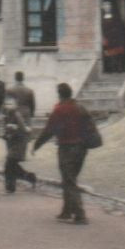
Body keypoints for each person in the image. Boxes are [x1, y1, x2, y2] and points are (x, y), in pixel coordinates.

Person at [32, 83, 96, 224]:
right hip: (81, 149)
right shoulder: (80, 107)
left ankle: (80, 214)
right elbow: (90, 126)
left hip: (67, 148)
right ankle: (66, 211)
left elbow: (49, 130)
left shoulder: (59, 110)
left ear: (59, 94)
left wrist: (37, 145)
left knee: (69, 181)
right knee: (70, 179)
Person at [1, 98, 36, 194]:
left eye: (11, 104)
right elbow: (5, 131)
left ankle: (10, 188)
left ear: (15, 105)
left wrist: (14, 130)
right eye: (7, 103)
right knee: (13, 166)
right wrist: (5, 134)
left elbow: (24, 130)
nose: (8, 105)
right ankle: (30, 177)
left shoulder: (17, 115)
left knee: (9, 165)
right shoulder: (6, 116)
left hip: (19, 144)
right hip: (12, 144)